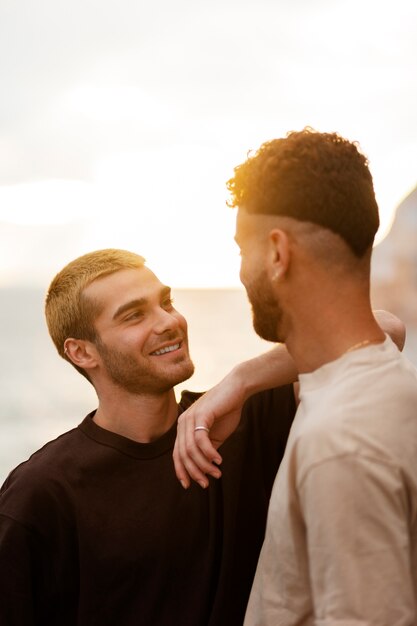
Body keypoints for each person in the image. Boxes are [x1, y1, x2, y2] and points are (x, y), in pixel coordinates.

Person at [173, 129, 417, 625]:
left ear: (278, 253)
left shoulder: (339, 443)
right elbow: (387, 328)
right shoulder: (383, 378)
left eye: (244, 249)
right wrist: (240, 380)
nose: (241, 271)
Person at [0, 248, 300, 626]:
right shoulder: (43, 493)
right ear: (81, 352)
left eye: (166, 302)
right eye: (135, 315)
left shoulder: (237, 419)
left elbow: (379, 337)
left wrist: (243, 379)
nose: (169, 321)